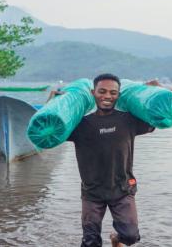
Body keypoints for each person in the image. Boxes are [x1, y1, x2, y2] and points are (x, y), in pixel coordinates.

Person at [49, 74, 155, 246]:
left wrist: (154, 91)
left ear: (119, 95)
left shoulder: (129, 120)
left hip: (122, 189)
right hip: (92, 191)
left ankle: (116, 239)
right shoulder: (80, 124)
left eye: (113, 92)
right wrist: (54, 103)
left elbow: (157, 118)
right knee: (90, 242)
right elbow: (52, 131)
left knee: (130, 237)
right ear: (93, 92)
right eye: (102, 91)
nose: (107, 96)